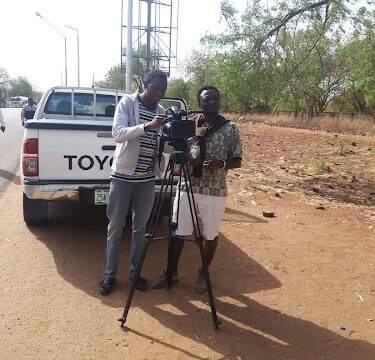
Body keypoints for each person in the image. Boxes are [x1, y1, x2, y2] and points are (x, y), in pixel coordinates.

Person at [152, 85, 243, 293]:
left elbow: (237, 161)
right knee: (178, 231)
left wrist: (219, 164)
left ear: (219, 101)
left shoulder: (230, 129)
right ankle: (171, 273)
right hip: (187, 186)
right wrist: (186, 157)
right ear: (199, 103)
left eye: (214, 99)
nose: (211, 102)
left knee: (210, 233)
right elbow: (175, 149)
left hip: (215, 190)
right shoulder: (188, 125)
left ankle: (203, 273)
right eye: (206, 99)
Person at [99, 69, 168, 295]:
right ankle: (110, 275)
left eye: (163, 90)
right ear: (145, 83)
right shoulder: (127, 103)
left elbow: (163, 145)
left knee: (140, 228)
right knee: (116, 227)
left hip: (147, 179)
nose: (159, 93)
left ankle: (134, 272)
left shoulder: (161, 111)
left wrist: (176, 138)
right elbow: (118, 133)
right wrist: (146, 126)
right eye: (156, 88)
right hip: (122, 177)